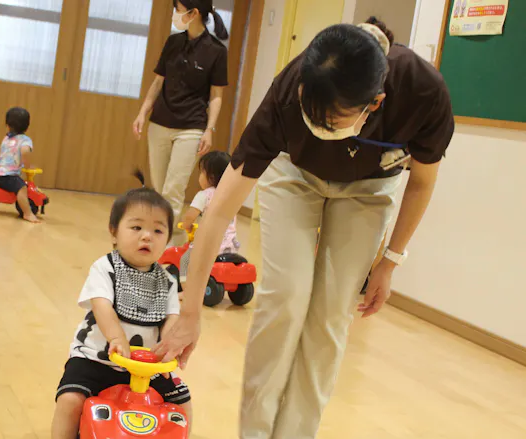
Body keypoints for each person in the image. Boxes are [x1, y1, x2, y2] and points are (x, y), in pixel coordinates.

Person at [155, 18, 455, 438]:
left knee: (330, 316)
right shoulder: (287, 90)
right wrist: (189, 313)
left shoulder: (422, 91)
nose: (321, 124)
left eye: (333, 118)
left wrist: (389, 262)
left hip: (368, 189)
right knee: (286, 297)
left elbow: (421, 182)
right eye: (311, 110)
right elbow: (220, 208)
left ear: (375, 103)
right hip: (293, 176)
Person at [51, 172, 191, 438]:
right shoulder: (105, 268)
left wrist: (172, 346)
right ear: (114, 232)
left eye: (158, 230)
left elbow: (172, 319)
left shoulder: (168, 282)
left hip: (146, 368)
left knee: (182, 403)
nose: (147, 236)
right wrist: (116, 337)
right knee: (70, 401)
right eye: (136, 228)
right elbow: (102, 305)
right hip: (96, 360)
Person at [132, 0, 229, 237]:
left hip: (191, 127)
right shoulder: (173, 42)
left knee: (173, 191)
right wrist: (143, 112)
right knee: (159, 189)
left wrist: (209, 129)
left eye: (178, 8)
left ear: (193, 13)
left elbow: (216, 96)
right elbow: (158, 81)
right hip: (160, 123)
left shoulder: (216, 51)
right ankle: (159, 240)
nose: (175, 13)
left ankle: (169, 246)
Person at [180, 150, 239, 254]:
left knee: (185, 259)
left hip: (209, 247)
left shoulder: (204, 195)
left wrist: (186, 225)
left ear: (211, 177)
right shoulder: (231, 195)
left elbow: (190, 217)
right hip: (231, 246)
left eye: (201, 172)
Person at [0, 106, 39, 223]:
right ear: (27, 126)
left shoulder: (7, 138)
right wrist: (27, 166)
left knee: (18, 183)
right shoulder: (25, 140)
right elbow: (25, 151)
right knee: (22, 188)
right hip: (8, 175)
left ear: (7, 124)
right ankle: (27, 213)